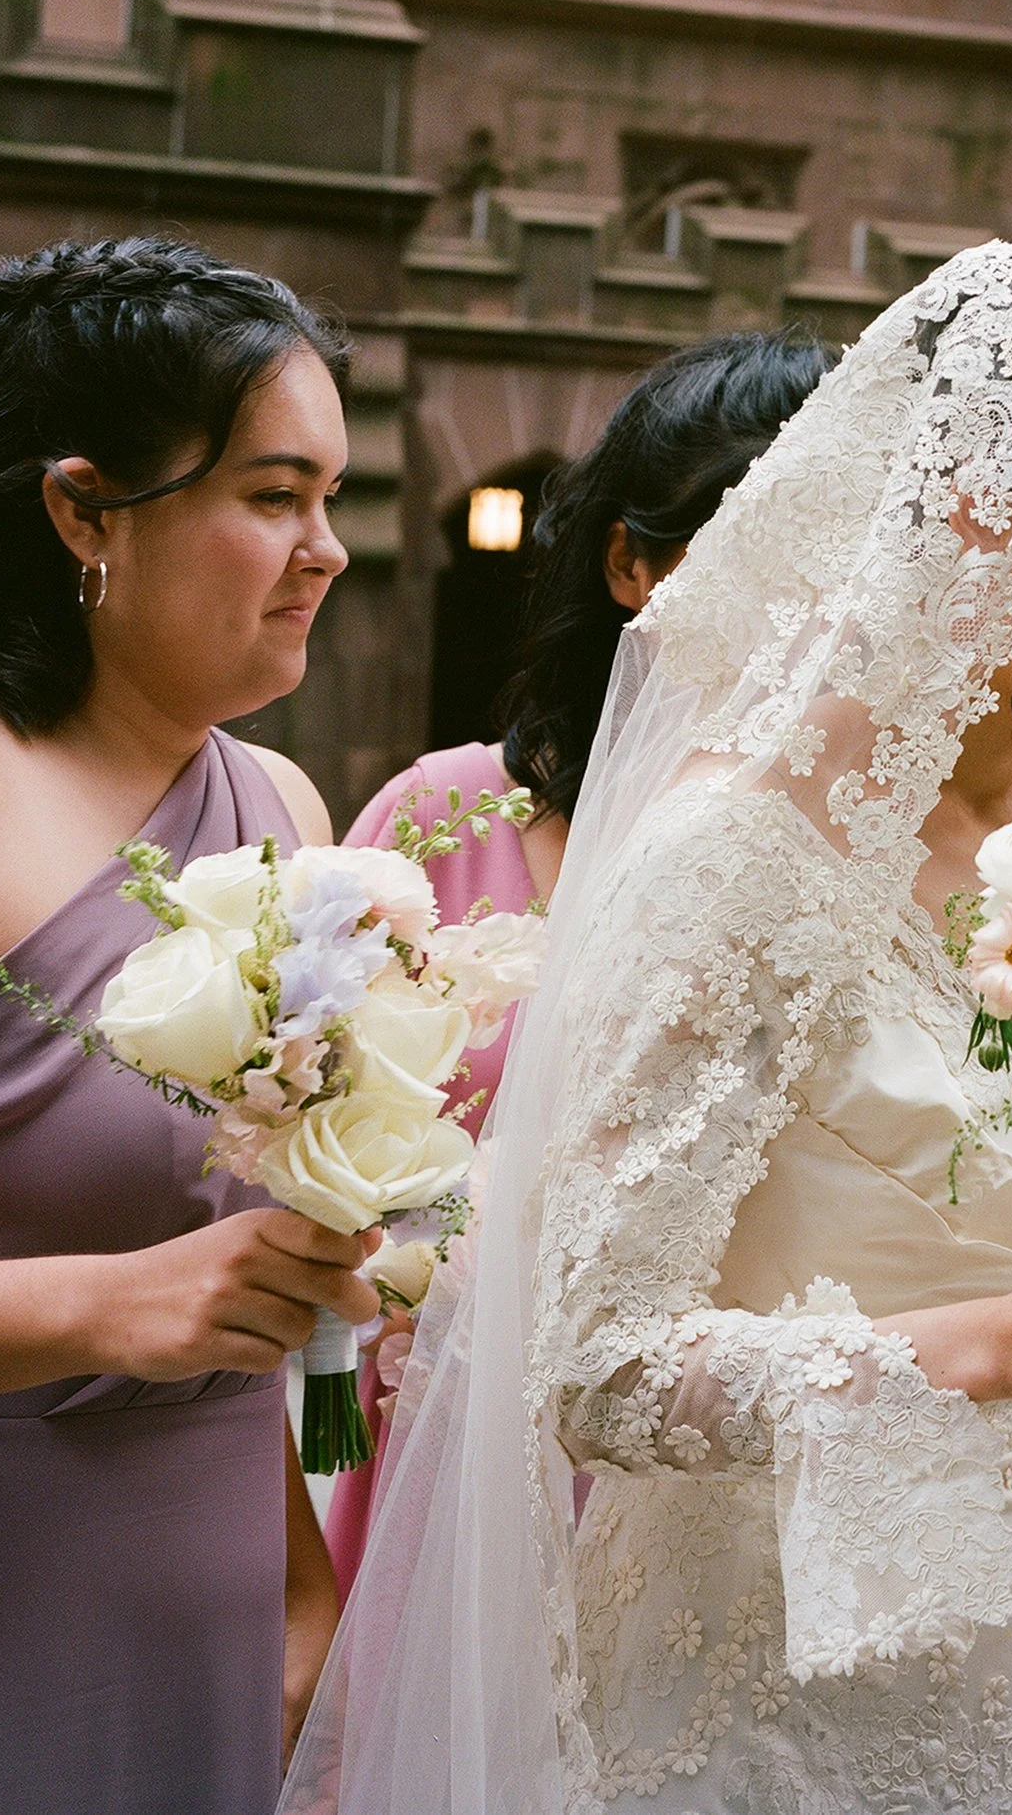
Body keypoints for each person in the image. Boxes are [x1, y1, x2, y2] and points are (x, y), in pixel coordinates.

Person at [289, 243, 1012, 1815]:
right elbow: (589, 1363)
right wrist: (995, 1347)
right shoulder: (738, 852)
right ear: (982, 514)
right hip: (744, 1715)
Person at [0, 239, 384, 1815]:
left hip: (213, 1613)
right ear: (83, 510)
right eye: (272, 496)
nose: (326, 549)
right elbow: (152, 1291)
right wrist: (97, 1308)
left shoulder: (280, 806)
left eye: (332, 497)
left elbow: (236, 1270)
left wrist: (295, 1592)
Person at [319, 327, 831, 1592]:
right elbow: (304, 1158)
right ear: (630, 560)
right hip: (439, 1462)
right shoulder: (438, 826)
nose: (803, 611)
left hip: (722, 1503)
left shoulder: (856, 871)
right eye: (759, 551)